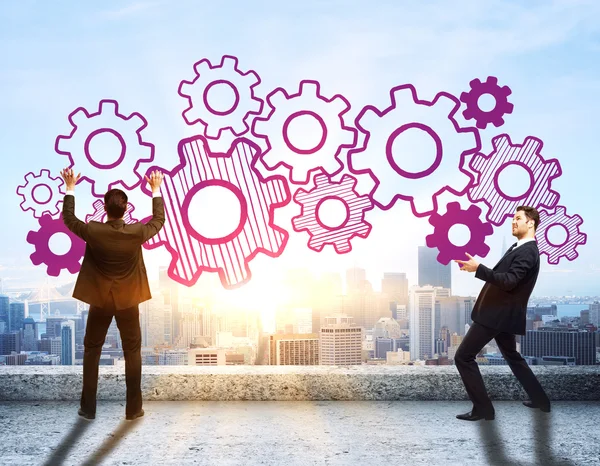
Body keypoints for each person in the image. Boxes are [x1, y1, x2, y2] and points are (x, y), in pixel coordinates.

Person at [59, 167, 165, 421]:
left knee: (92, 350)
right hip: (128, 300)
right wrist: (155, 190)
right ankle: (133, 409)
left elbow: (69, 219)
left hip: (101, 300)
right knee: (133, 351)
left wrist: (70, 187)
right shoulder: (136, 232)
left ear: (105, 208)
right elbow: (158, 220)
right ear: (126, 209)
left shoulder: (94, 231)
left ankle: (88, 408)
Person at [453, 205, 551, 421]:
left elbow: (509, 281)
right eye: (512, 218)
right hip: (502, 314)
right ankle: (541, 400)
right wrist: (476, 268)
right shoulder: (521, 248)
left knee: (463, 357)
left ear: (531, 222)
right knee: (513, 357)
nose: (513, 222)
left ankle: (483, 409)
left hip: (495, 315)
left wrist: (478, 268)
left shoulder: (527, 251)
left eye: (518, 218)